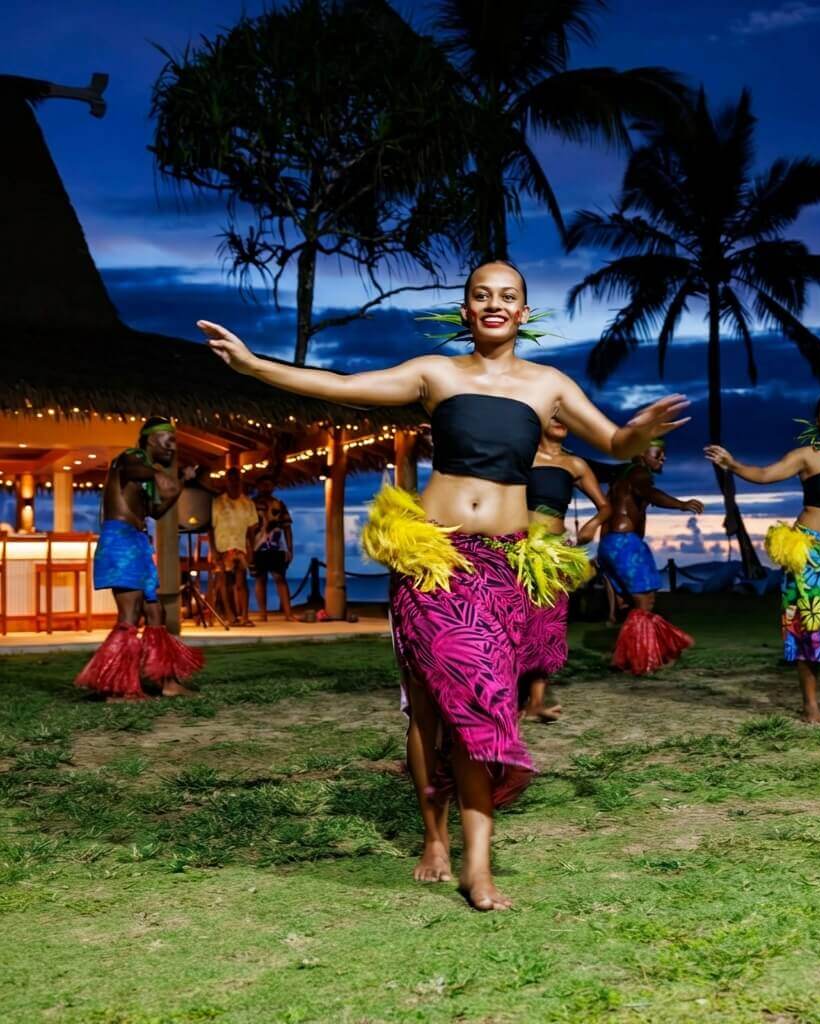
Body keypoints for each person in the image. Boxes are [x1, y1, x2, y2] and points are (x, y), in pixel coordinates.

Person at [199, 260, 689, 911]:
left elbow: (616, 438)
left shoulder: (548, 385)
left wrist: (639, 434)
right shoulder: (437, 374)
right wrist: (256, 366)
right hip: (436, 560)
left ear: (523, 312)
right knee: (434, 709)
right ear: (466, 311)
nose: (494, 304)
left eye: (507, 296)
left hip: (510, 566)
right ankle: (437, 837)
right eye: (481, 295)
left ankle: (476, 865)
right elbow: (343, 385)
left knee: (485, 707)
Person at [704, 392, 820, 724]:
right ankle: (811, 704)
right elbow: (765, 474)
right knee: (810, 629)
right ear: (818, 421)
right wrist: (733, 465)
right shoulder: (806, 456)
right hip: (810, 552)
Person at [75, 417, 203, 699]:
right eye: (168, 440)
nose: (173, 447)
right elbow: (135, 469)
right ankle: (119, 688)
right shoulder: (130, 458)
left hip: (138, 543)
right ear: (150, 439)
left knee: (157, 612)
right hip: (119, 541)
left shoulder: (145, 479)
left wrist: (179, 482)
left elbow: (156, 511)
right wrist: (158, 473)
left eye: (175, 442)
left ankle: (168, 683)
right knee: (130, 615)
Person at [518, 416, 610, 722]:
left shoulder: (575, 465)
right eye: (552, 415)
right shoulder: (519, 456)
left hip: (555, 552)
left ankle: (536, 703)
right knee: (514, 622)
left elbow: (605, 505)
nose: (560, 420)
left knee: (547, 626)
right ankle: (506, 698)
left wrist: (593, 524)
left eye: (564, 416)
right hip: (517, 548)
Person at [596, 441, 703, 675]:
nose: (662, 459)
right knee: (646, 602)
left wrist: (604, 556)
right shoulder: (638, 473)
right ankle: (643, 660)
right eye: (658, 454)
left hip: (610, 544)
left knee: (630, 605)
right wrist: (681, 504)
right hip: (626, 544)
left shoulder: (620, 478)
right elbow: (649, 493)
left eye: (664, 455)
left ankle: (630, 656)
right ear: (641, 454)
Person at [210, 467, 258, 626]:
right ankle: (230, 616)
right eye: (230, 479)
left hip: (241, 545)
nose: (234, 483)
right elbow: (210, 527)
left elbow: (252, 529)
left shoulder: (248, 503)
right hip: (223, 545)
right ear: (226, 481)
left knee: (241, 581)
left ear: (240, 481)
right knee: (225, 582)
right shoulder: (217, 502)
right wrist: (213, 550)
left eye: (236, 479)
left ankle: (244, 616)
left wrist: (251, 547)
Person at [251, 475, 296, 622]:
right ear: (257, 486)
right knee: (260, 578)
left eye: (269, 484)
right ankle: (263, 613)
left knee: (280, 578)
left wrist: (290, 548)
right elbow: (247, 528)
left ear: (273, 487)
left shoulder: (279, 504)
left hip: (277, 547)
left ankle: (288, 613)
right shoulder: (252, 504)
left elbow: (287, 528)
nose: (266, 488)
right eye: (263, 484)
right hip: (257, 547)